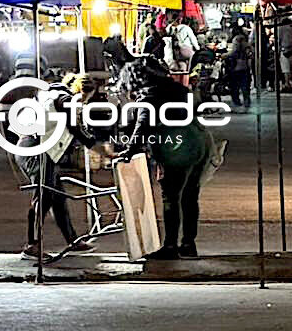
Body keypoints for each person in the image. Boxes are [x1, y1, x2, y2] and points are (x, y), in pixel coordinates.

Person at [116, 57, 215, 260]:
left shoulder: (149, 95)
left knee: (171, 196)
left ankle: (170, 246)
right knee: (190, 195)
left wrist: (130, 150)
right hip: (200, 140)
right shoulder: (178, 89)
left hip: (177, 146)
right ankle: (188, 244)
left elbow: (143, 125)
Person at [17, 75, 97, 259]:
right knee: (43, 196)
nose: (84, 103)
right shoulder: (64, 99)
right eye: (86, 99)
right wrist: (94, 144)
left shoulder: (51, 94)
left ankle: (72, 240)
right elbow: (75, 127)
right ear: (81, 93)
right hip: (36, 150)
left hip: (37, 149)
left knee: (58, 197)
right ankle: (31, 245)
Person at [225, 32, 253, 112]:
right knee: (245, 88)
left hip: (236, 71)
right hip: (244, 70)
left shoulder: (235, 52)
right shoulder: (247, 50)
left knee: (235, 88)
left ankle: (237, 103)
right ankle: (246, 102)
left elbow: (229, 56)